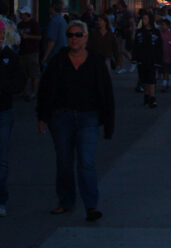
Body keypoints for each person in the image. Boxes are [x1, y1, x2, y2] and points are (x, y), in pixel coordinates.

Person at [37, 19, 115, 221]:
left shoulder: (95, 61)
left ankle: (91, 205)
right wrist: (42, 117)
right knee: (64, 162)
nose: (74, 39)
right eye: (70, 35)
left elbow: (106, 93)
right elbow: (45, 90)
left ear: (86, 38)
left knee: (86, 162)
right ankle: (66, 201)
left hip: (88, 117)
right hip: (61, 117)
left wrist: (108, 122)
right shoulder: (58, 61)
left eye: (78, 35)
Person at [0, 19, 26, 215]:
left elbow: (20, 82)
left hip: (3, 111)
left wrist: (5, 88)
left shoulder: (9, 57)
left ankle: (1, 199)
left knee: (2, 158)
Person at [132, 10, 162, 109]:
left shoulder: (156, 32)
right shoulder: (139, 32)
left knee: (151, 78)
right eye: (143, 19)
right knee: (143, 78)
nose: (143, 20)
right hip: (142, 58)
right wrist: (134, 57)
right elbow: (136, 45)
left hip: (152, 59)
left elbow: (159, 46)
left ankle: (152, 98)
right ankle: (146, 95)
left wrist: (158, 59)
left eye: (145, 19)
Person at [16, 7, 41, 100]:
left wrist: (28, 36)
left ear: (27, 14)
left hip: (32, 52)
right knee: (24, 73)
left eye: (22, 13)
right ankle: (25, 92)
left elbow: (39, 37)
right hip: (22, 51)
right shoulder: (20, 24)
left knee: (34, 73)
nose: (20, 15)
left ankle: (34, 93)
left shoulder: (34, 23)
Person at [42, 0, 67, 67]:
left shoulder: (54, 20)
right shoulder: (62, 20)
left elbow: (51, 40)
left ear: (52, 8)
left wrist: (45, 56)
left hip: (54, 54)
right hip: (62, 53)